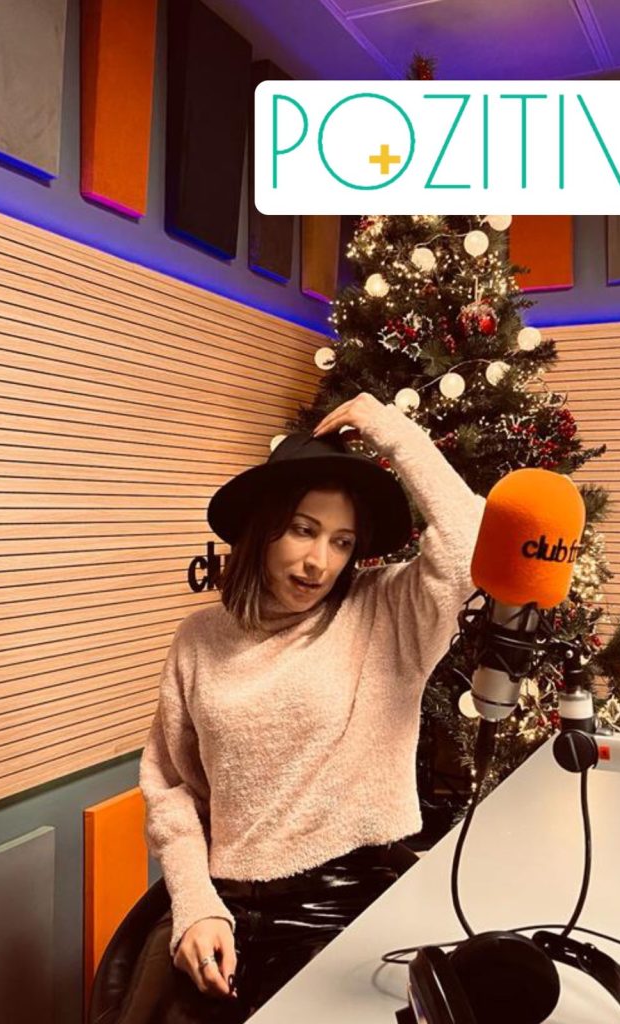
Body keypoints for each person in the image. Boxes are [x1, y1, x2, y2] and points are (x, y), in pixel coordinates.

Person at [116, 392, 485, 1023]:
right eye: (303, 530)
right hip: (226, 903)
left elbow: (472, 552)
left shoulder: (385, 614)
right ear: (263, 528)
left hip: (347, 905)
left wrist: (394, 433)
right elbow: (173, 788)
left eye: (342, 542)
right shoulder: (199, 638)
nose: (320, 562)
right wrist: (196, 905)